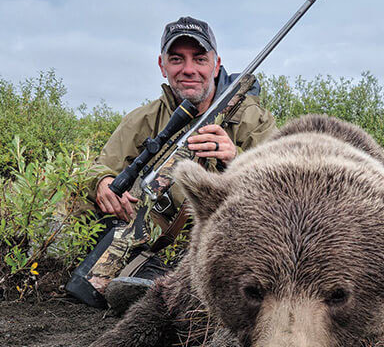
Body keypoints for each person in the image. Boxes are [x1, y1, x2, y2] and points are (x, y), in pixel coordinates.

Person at [67, 16, 276, 311]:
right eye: (177, 59)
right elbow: (100, 167)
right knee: (85, 206)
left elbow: (281, 186)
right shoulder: (147, 117)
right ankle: (146, 281)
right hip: (155, 232)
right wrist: (102, 183)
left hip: (222, 237)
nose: (188, 69)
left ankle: (161, 285)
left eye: (199, 59)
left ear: (216, 65)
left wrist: (235, 160)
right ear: (162, 65)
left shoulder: (253, 118)